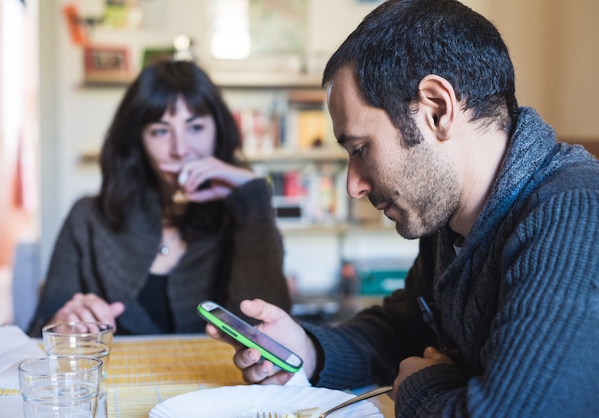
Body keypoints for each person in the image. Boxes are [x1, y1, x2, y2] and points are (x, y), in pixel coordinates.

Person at [206, 0, 599, 416]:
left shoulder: (573, 214)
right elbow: (400, 333)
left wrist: (420, 383)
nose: (353, 185)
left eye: (360, 149)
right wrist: (307, 349)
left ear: (436, 109)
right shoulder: (452, 223)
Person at [28, 60, 292, 336]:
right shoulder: (88, 218)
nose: (180, 150)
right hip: (116, 378)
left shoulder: (246, 218)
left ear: (218, 131)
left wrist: (253, 198)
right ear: (137, 140)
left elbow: (270, 339)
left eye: (195, 127)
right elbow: (37, 332)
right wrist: (62, 322)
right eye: (161, 131)